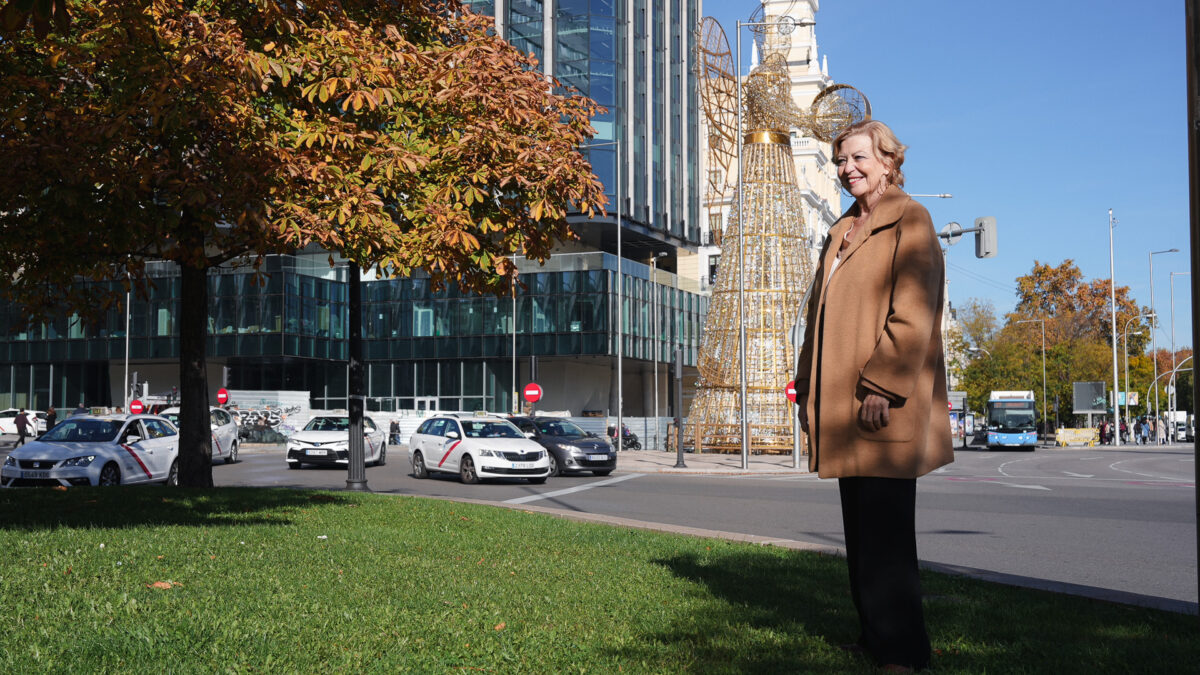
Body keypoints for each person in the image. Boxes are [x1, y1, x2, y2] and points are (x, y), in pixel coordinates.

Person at [794, 120, 953, 672]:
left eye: (858, 158)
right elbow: (819, 320)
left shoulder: (911, 219)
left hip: (882, 402)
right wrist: (807, 387)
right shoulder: (844, 228)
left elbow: (913, 310)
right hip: (843, 404)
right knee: (860, 535)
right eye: (840, 161)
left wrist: (883, 383)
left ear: (888, 160)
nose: (847, 169)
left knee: (886, 540)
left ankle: (904, 655)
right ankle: (874, 637)